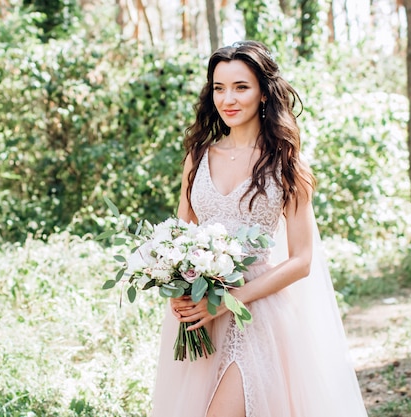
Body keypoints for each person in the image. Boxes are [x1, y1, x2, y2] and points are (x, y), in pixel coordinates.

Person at [150, 41, 368, 417]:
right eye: (219, 88)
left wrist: (228, 302)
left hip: (257, 314)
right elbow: (179, 237)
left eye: (241, 87)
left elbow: (301, 260)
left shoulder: (284, 162)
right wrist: (176, 290)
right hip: (200, 311)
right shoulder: (198, 157)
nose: (227, 99)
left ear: (264, 93)